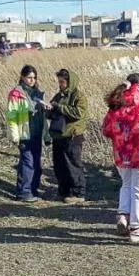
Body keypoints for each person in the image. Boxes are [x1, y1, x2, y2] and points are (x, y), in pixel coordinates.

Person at [103, 81, 139, 243]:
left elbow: (106, 130)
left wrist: (120, 137)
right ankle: (136, 229)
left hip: (121, 156)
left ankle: (123, 215)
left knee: (126, 185)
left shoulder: (116, 107)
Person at [6, 64, 48, 202]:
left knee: (36, 163)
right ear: (22, 77)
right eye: (29, 77)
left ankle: (33, 189)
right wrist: (14, 135)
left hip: (36, 132)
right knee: (27, 162)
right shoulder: (16, 93)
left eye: (34, 78)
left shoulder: (37, 93)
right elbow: (12, 115)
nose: (32, 80)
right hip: (24, 132)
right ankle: (23, 192)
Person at [47, 68, 88, 203]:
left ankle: (77, 193)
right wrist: (48, 109)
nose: (60, 84)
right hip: (58, 135)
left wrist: (60, 107)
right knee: (59, 165)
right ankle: (63, 191)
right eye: (59, 82)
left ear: (70, 82)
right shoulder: (59, 95)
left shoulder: (79, 96)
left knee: (73, 164)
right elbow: (54, 110)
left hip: (72, 135)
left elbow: (79, 113)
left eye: (63, 82)